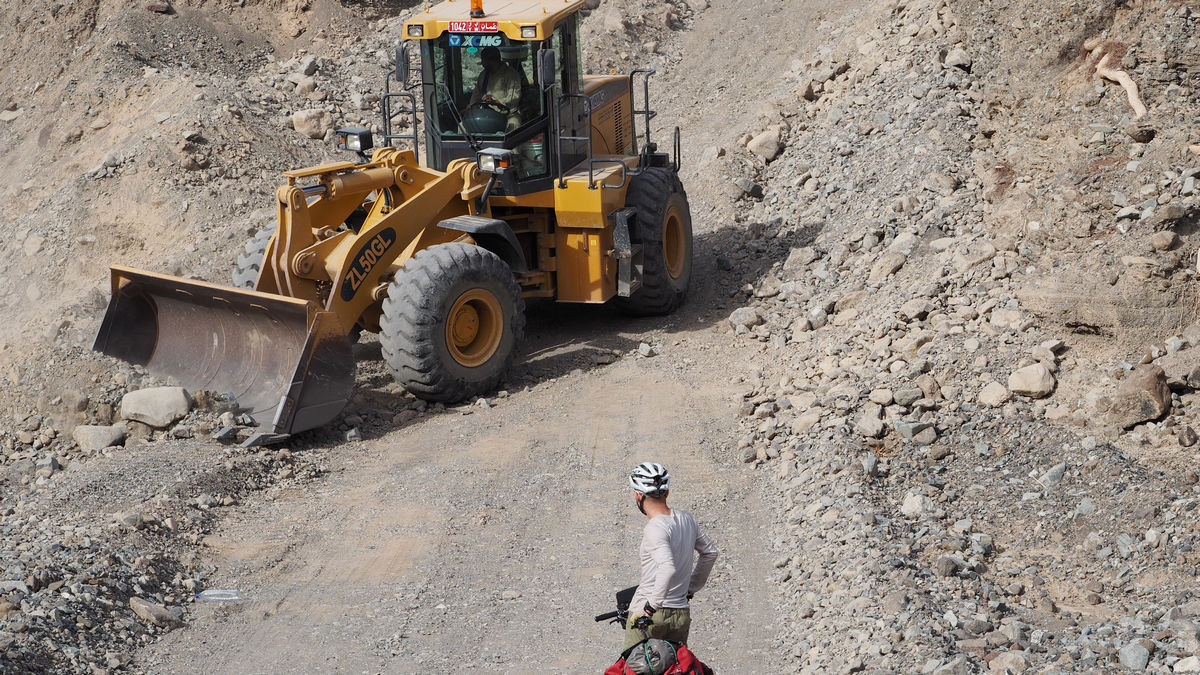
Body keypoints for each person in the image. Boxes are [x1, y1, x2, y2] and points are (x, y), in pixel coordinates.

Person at [623, 462, 719, 651]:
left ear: (638, 495)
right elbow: (710, 553)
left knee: (634, 667)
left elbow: (667, 568)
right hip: (680, 614)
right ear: (666, 493)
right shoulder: (686, 519)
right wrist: (689, 588)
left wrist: (649, 608)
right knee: (677, 667)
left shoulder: (654, 527)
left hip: (650, 614)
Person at [467, 46, 522, 132]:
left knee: (514, 125)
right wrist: (470, 108)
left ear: (492, 60)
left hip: (507, 115)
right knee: (463, 125)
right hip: (485, 115)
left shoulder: (511, 75)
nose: (482, 63)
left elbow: (514, 98)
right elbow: (475, 96)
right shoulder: (483, 75)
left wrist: (495, 101)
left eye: (483, 60)